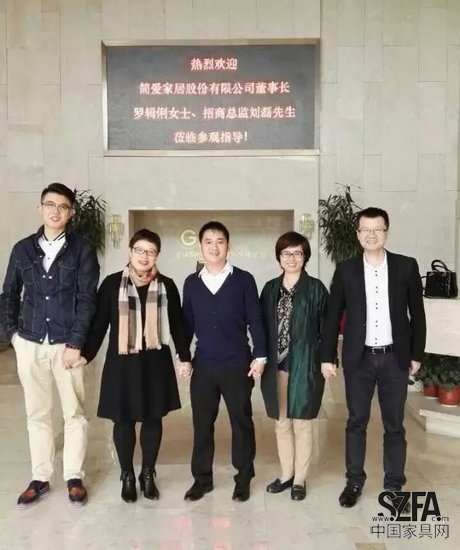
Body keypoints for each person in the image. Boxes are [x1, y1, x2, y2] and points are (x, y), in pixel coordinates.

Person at [0, 182, 100, 508]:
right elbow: (9, 294)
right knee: (37, 414)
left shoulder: (82, 250)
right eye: (50, 205)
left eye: (63, 207)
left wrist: (76, 342)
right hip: (29, 341)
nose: (55, 211)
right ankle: (40, 478)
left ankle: (74, 476)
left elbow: (87, 300)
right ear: (40, 208)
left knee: (74, 414)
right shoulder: (22, 250)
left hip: (66, 345)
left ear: (71, 213)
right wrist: (13, 336)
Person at [320, 207, 426, 509]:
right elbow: (333, 316)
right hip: (359, 359)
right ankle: (354, 481)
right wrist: (327, 356)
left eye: (377, 229)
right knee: (356, 422)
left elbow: (417, 314)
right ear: (357, 234)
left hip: (394, 358)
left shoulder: (406, 266)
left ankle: (394, 486)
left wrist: (416, 354)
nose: (371, 234)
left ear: (386, 232)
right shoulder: (346, 269)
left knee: (395, 425)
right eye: (365, 229)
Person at [81, 229, 191, 503]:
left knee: (154, 418)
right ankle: (127, 474)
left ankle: (148, 473)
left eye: (151, 252)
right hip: (122, 363)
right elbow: (99, 325)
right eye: (140, 250)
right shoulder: (111, 284)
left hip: (156, 362)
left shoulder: (166, 285)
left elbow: (177, 326)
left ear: (157, 256)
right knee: (123, 420)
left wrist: (185, 356)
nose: (145, 256)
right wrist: (85, 355)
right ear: (130, 252)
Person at [180, 221, 266, 503]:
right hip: (204, 364)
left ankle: (244, 478)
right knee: (202, 424)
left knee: (241, 421)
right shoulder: (192, 282)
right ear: (200, 246)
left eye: (220, 241)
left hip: (236, 363)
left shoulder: (243, 280)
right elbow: (186, 323)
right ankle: (202, 480)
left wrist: (260, 356)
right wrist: (184, 357)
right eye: (208, 241)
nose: (214, 247)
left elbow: (255, 320)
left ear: (228, 246)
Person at [260, 231, 328, 501]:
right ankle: (286, 474)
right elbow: (261, 328)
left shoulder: (316, 289)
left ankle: (300, 478)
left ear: (305, 257)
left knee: (302, 423)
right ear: (279, 257)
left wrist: (327, 360)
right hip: (276, 366)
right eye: (286, 253)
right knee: (282, 423)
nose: (291, 258)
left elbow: (327, 329)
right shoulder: (270, 289)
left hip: (305, 365)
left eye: (297, 253)